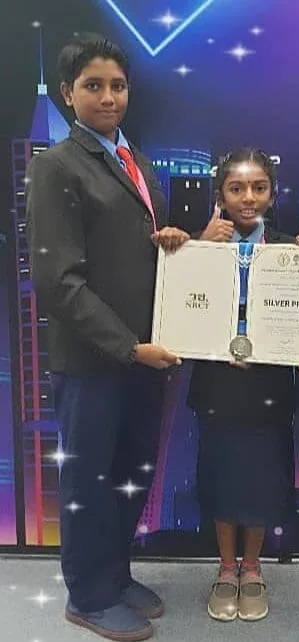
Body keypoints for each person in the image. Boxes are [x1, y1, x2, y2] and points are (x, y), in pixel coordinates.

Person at [26, 34, 189, 642]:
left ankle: (115, 575)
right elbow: (58, 281)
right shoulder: (56, 166)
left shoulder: (135, 161)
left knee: (130, 471)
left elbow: (132, 251)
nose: (108, 97)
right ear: (68, 94)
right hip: (96, 358)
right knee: (90, 480)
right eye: (93, 86)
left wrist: (169, 241)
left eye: (117, 85)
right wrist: (126, 346)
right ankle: (88, 596)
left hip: (145, 356)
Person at [187, 148, 296, 622]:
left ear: (272, 194)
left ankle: (252, 568)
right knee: (221, 473)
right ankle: (225, 567)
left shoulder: (291, 250)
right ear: (221, 197)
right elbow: (180, 302)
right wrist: (198, 246)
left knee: (261, 477)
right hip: (218, 379)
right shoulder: (202, 245)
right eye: (236, 188)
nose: (248, 198)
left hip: (268, 379)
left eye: (258, 187)